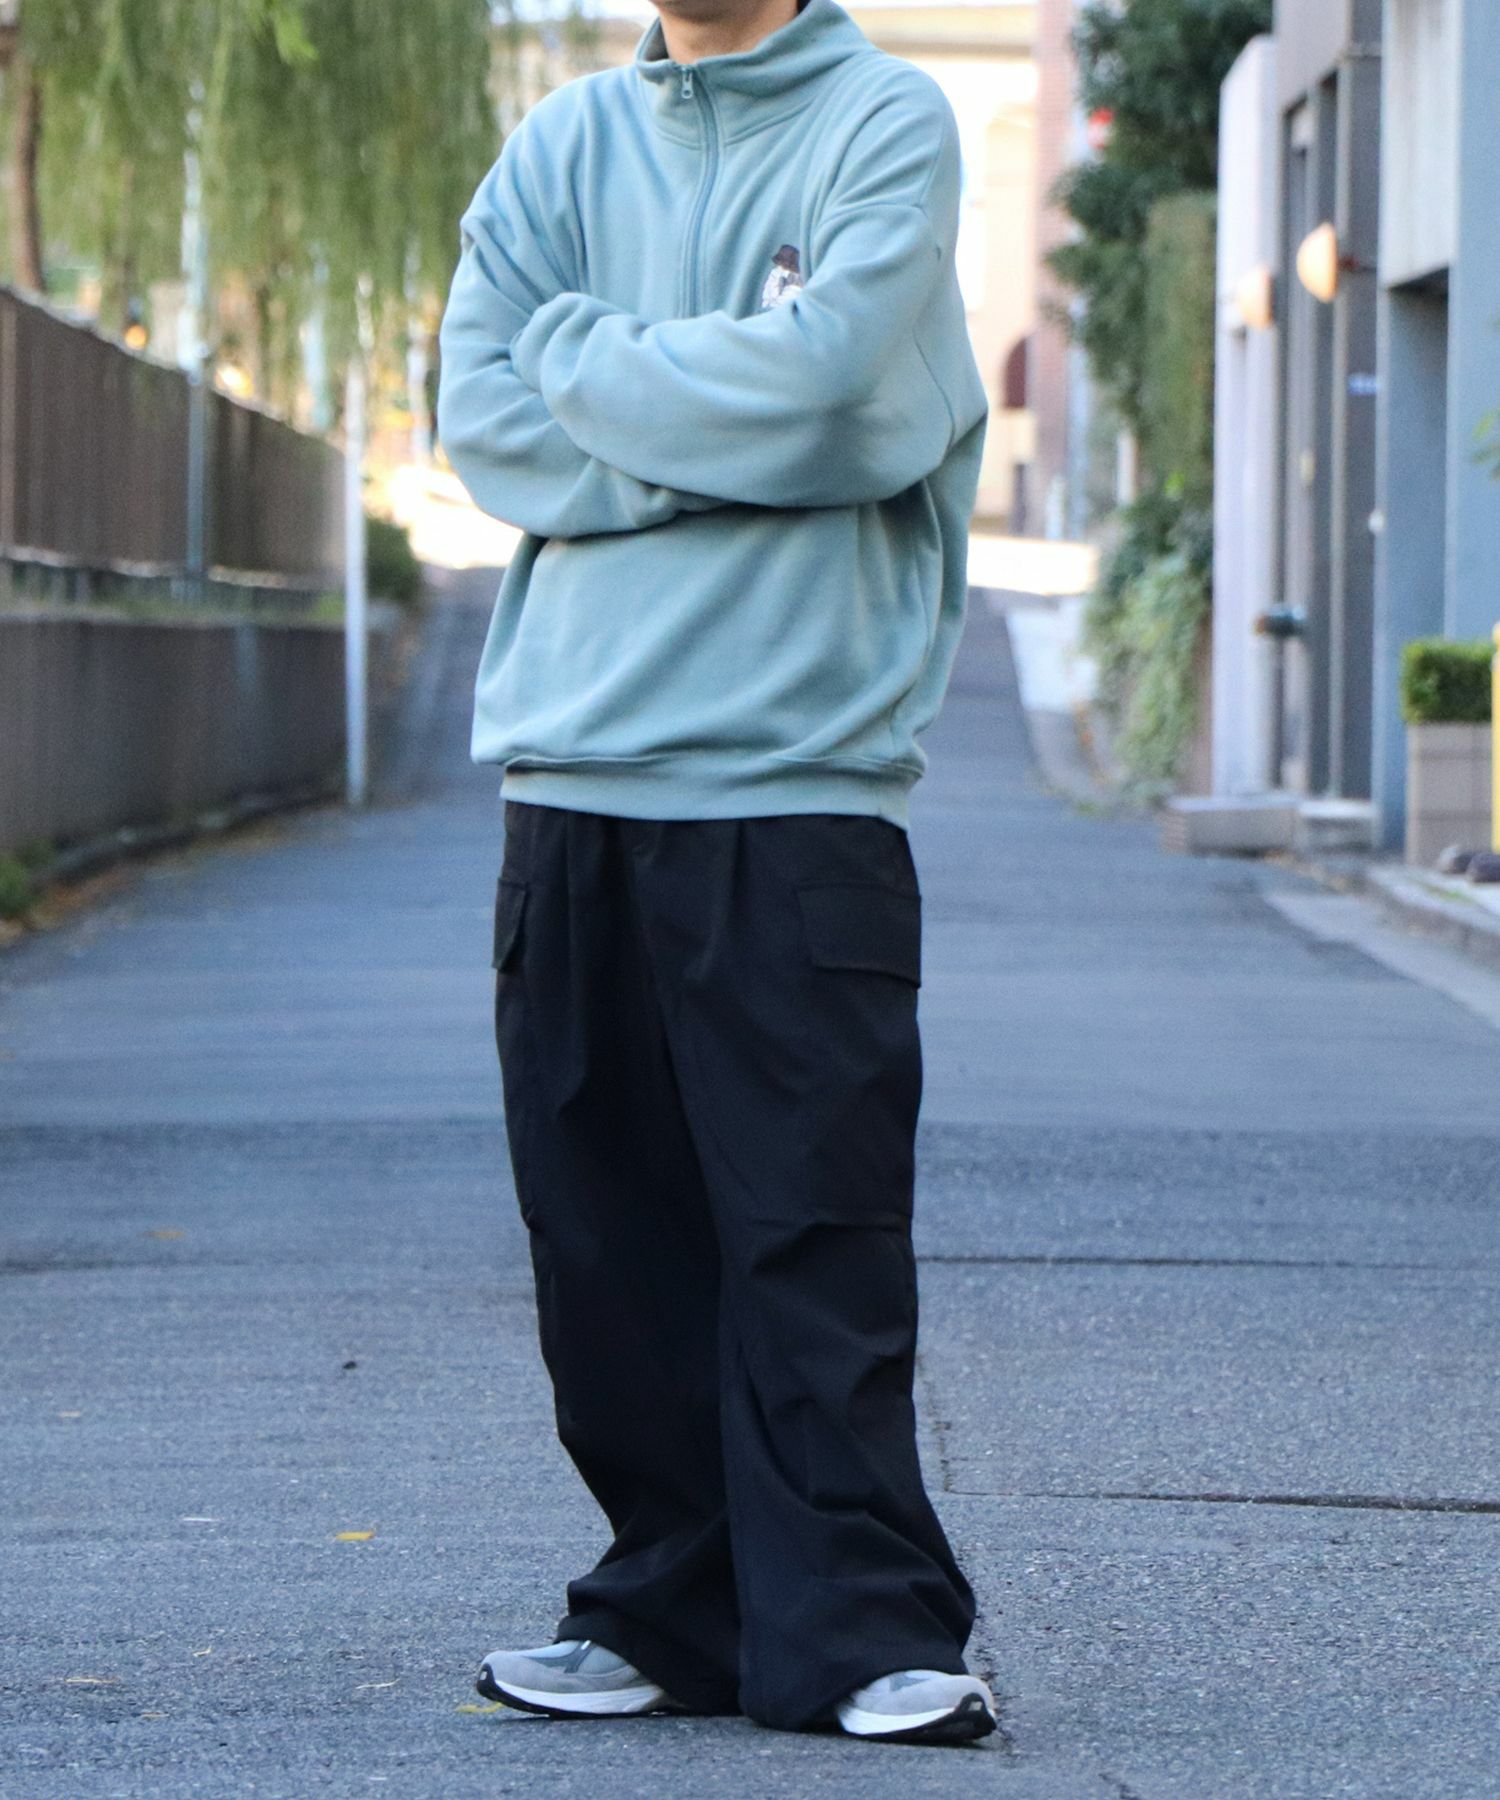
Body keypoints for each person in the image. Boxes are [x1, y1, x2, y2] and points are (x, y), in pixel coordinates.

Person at [435, 0, 994, 1747]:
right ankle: (666, 1608)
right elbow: (481, 418)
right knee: (604, 1241)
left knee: (812, 1232)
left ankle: (866, 1628)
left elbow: (835, 388)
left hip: (797, 775)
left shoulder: (885, 122)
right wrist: (738, 420)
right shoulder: (557, 147)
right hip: (571, 772)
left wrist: (591, 362)